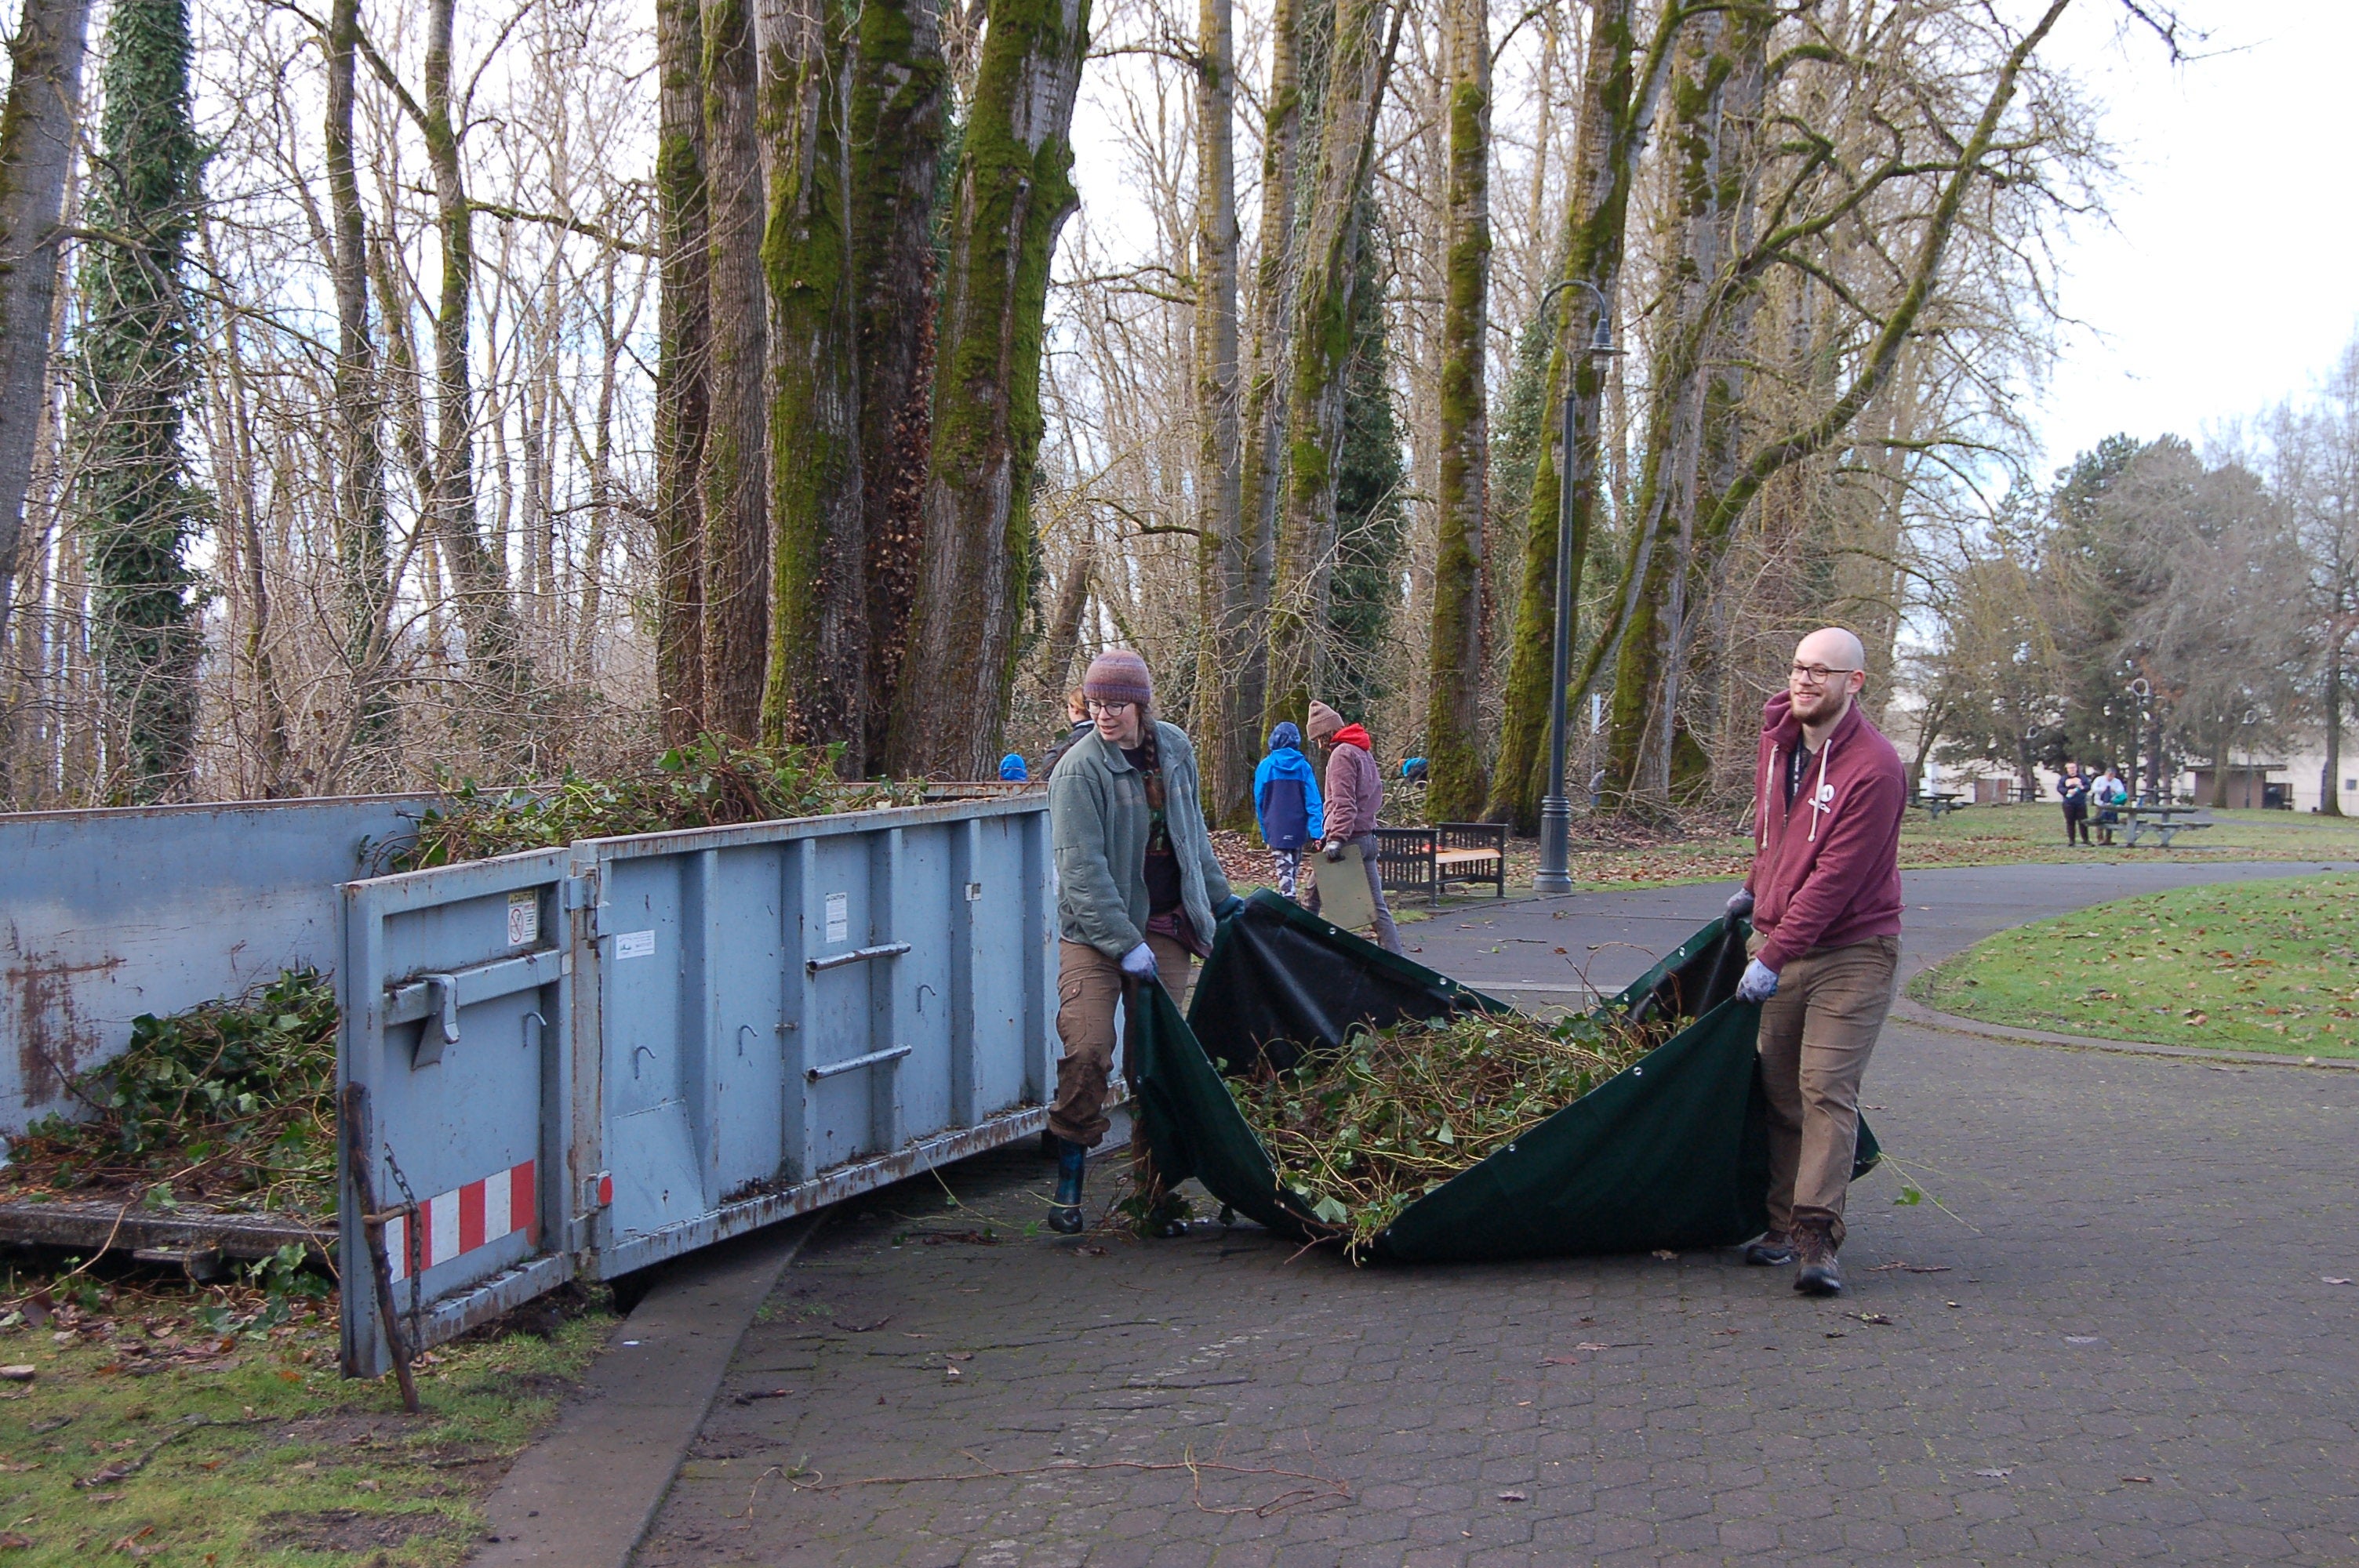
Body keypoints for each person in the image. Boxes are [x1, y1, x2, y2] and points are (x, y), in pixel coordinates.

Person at [1724, 627, 1906, 1297]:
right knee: (1779, 1094)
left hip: (1853, 952)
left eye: (1822, 672)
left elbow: (1834, 877)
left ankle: (1817, 1237)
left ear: (1853, 683)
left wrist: (1771, 954)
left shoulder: (1875, 768)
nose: (1805, 681)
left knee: (1825, 1088)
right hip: (1783, 942)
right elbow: (1778, 835)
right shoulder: (1779, 744)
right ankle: (1778, 1225)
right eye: (1800, 668)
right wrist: (1754, 889)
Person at [1045, 649, 1241, 1234]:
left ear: (1141, 704)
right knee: (1087, 1051)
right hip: (1095, 935)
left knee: (1155, 1065)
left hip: (1167, 926)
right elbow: (1081, 871)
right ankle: (1069, 1188)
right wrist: (1123, 941)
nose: (1104, 715)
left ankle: (1154, 1198)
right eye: (1096, 703)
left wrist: (1220, 899)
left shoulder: (1175, 750)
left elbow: (1190, 835)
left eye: (1117, 704)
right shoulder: (1079, 771)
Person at [1303, 699, 1403, 954]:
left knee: (1311, 900)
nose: (1318, 745)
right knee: (1377, 909)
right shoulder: (1362, 751)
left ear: (1324, 734)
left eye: (1317, 738)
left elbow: (1343, 801)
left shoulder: (1341, 755)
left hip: (1347, 840)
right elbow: (1374, 794)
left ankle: (1298, 950)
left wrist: (1335, 838)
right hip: (1367, 837)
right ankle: (1397, 961)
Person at [1253, 721, 1324, 901]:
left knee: (1283, 869)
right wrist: (1318, 833)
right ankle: (1290, 899)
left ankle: (1288, 900)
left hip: (1275, 826)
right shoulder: (1303, 767)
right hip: (1298, 827)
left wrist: (1265, 831)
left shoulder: (1265, 766)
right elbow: (1313, 801)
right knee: (1292, 868)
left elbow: (1260, 802)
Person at [1041, 689, 1093, 777]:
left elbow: (1047, 771)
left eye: (1068, 706)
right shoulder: (1113, 737)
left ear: (1075, 709)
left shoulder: (1072, 741)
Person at [2057, 760, 2092, 846]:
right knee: (2070, 822)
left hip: (2080, 803)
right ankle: (2072, 841)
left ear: (2076, 768)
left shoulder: (2082, 777)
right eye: (2070, 768)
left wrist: (2082, 787)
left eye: (2073, 768)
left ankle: (2086, 840)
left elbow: (2088, 786)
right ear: (2067, 769)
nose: (2072, 770)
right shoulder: (2064, 778)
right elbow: (2059, 788)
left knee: (2083, 822)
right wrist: (2067, 791)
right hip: (2068, 804)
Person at [2093, 764, 2128, 845]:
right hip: (2100, 803)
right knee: (2099, 820)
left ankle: (2108, 839)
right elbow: (2094, 789)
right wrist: (2103, 789)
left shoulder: (2117, 781)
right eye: (2109, 775)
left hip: (2112, 804)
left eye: (2112, 776)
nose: (2110, 777)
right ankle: (2100, 839)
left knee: (2111, 820)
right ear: (2106, 774)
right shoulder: (2099, 779)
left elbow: (2121, 791)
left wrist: (2114, 790)